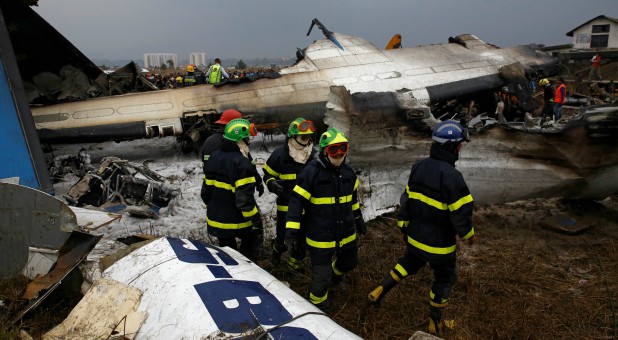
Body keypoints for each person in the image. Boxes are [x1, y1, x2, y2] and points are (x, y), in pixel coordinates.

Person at [367, 120, 474, 336]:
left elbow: (407, 200)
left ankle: (378, 291)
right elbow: (461, 212)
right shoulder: (453, 177)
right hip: (440, 246)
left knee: (409, 262)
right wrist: (467, 234)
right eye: (460, 144)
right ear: (452, 146)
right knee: (445, 278)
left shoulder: (419, 167)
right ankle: (435, 323)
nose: (461, 147)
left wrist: (403, 227)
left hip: (415, 237)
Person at [285, 127, 366, 311]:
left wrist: (358, 218)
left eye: (342, 148)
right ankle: (317, 305)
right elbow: (296, 204)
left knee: (349, 263)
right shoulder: (311, 173)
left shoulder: (348, 174)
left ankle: (336, 276)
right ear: (324, 151)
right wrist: (291, 233)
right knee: (321, 279)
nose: (338, 154)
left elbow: (352, 200)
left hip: (345, 233)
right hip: (320, 237)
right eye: (333, 150)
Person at [203, 118, 262, 260]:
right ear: (239, 139)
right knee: (248, 255)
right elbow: (244, 202)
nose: (248, 141)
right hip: (239, 221)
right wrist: (256, 219)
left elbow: (206, 193)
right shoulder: (242, 163)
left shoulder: (214, 157)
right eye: (247, 138)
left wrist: (215, 208)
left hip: (217, 221)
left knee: (228, 258)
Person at [263, 118, 317, 272]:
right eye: (303, 137)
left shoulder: (314, 155)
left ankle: (295, 265)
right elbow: (267, 175)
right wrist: (271, 183)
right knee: (283, 236)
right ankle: (276, 249)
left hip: (307, 207)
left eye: (308, 137)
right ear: (293, 136)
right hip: (286, 205)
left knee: (301, 238)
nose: (306, 141)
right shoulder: (280, 154)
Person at [199, 109, 263, 205]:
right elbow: (247, 164)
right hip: (237, 189)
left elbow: (207, 170)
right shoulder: (233, 141)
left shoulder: (209, 141)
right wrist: (257, 181)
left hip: (214, 190)